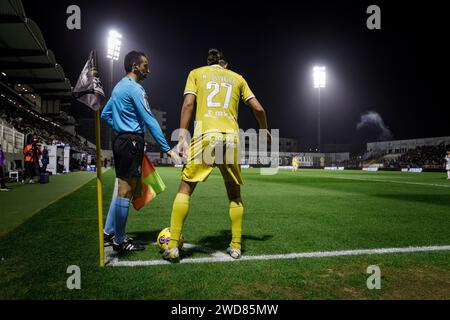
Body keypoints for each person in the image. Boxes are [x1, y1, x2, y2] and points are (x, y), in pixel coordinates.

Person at [163, 48, 270, 261]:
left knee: (185, 189)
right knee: (234, 195)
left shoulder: (196, 73)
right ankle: (237, 246)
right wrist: (264, 127)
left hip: (205, 136)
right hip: (230, 139)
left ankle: (173, 246)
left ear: (209, 62)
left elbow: (188, 104)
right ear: (225, 64)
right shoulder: (237, 78)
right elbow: (258, 109)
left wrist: (182, 136)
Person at [101, 50, 180, 253]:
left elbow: (105, 114)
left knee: (121, 189)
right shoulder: (136, 89)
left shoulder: (118, 87)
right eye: (145, 66)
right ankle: (119, 241)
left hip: (120, 141)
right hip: (131, 142)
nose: (149, 70)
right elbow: (149, 119)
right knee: (126, 192)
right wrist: (167, 149)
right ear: (135, 66)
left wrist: (120, 126)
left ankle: (108, 232)